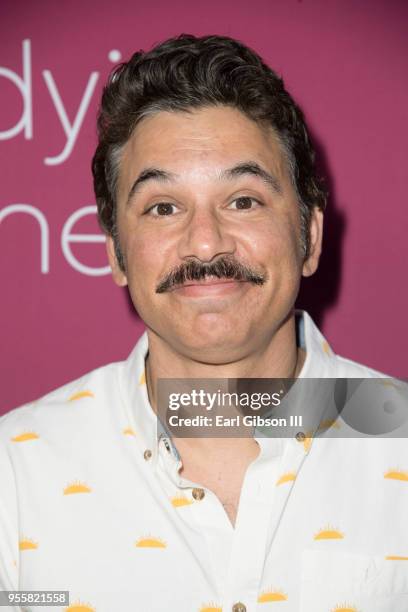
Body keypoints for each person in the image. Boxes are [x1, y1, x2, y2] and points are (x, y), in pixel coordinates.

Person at [0, 34, 407, 612]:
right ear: (116, 253)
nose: (205, 240)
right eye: (163, 207)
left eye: (243, 200)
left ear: (309, 237)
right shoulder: (15, 472)